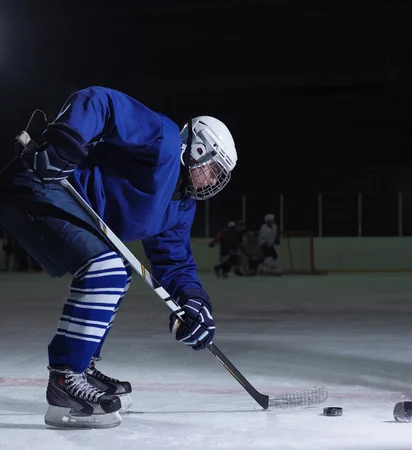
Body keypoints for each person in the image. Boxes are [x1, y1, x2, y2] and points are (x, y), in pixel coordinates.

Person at [0, 86, 238, 428]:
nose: (213, 179)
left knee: (116, 270)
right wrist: (64, 143)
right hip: (41, 182)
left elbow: (175, 264)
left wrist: (194, 303)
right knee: (107, 268)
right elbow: (100, 101)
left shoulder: (181, 207)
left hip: (63, 203)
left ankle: (80, 366)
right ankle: (66, 378)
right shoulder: (163, 139)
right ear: (198, 149)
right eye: (214, 169)